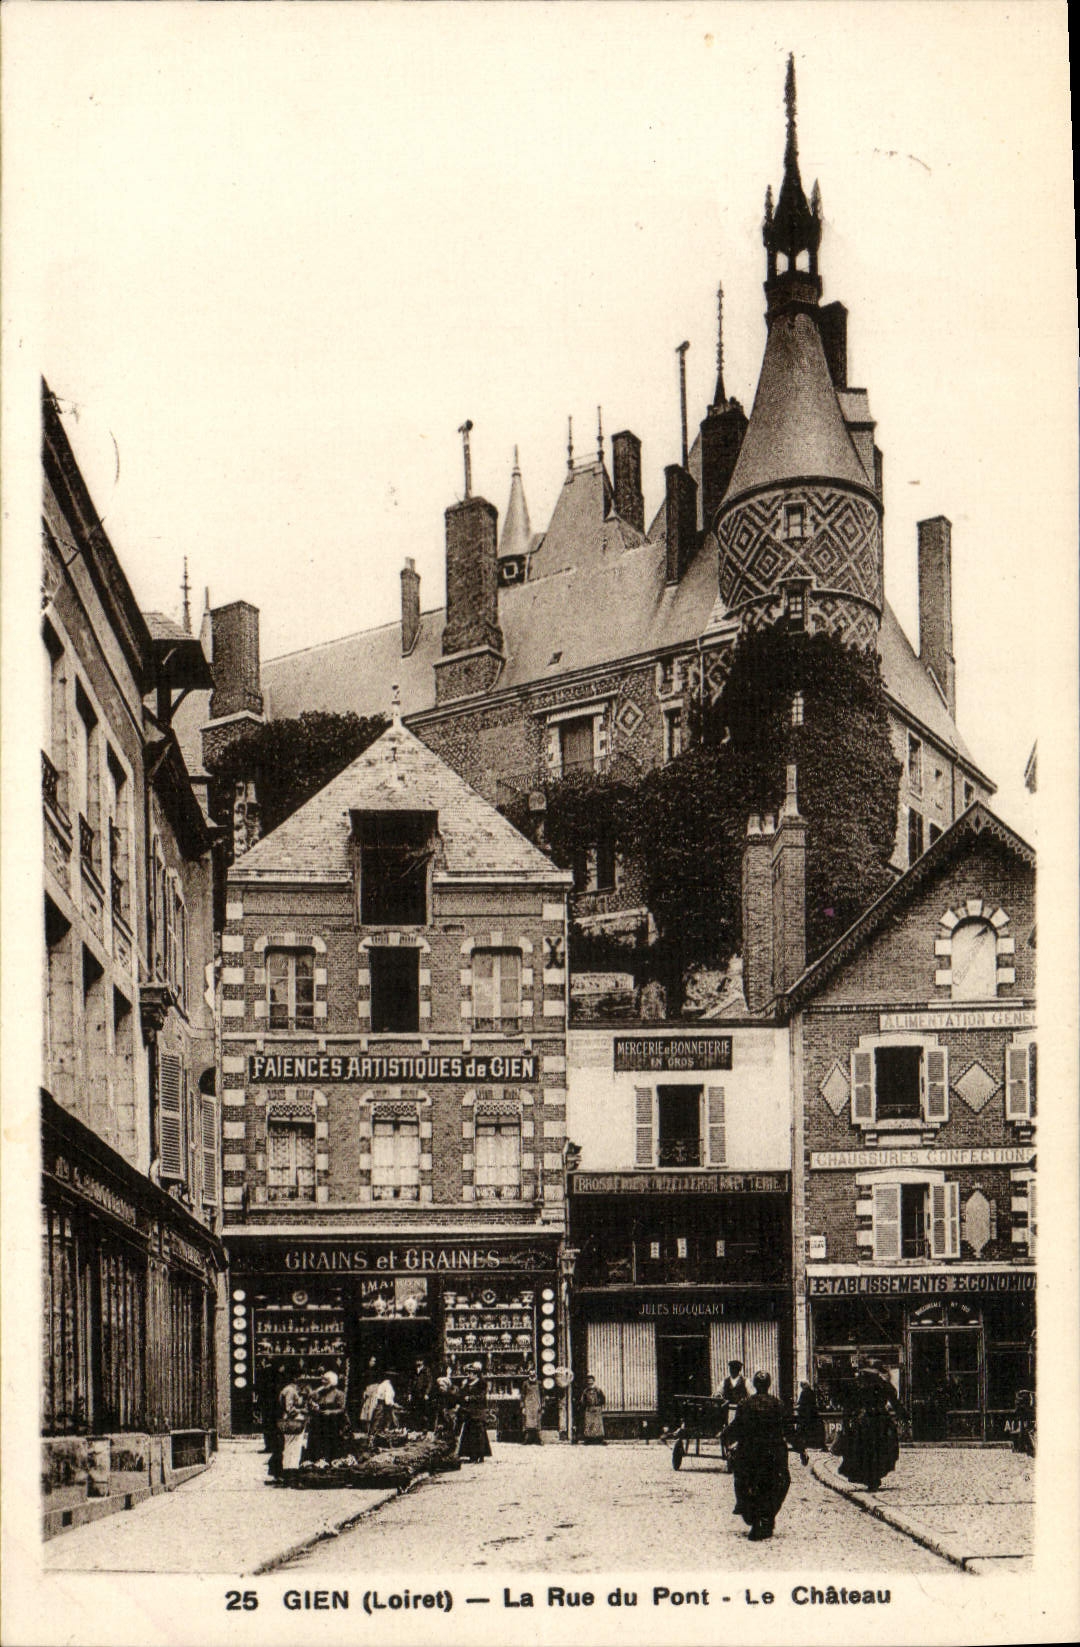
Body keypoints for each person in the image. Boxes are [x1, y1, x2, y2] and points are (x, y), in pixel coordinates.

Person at [722, 1370, 807, 1541]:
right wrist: (801, 1449)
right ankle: (767, 1516)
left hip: (749, 1451)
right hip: (773, 1453)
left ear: (754, 1384)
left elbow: (736, 1427)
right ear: (769, 1385)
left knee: (742, 1479)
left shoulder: (745, 1404)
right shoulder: (778, 1405)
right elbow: (789, 1430)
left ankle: (748, 1511)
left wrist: (726, 1438)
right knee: (781, 1482)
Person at [837, 1361, 904, 1491]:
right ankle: (874, 1476)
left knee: (864, 1450)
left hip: (865, 1422)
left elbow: (849, 1406)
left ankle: (869, 1476)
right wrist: (902, 1415)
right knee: (880, 1449)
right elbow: (895, 1402)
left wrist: (846, 1421)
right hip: (880, 1421)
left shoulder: (859, 1387)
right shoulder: (883, 1385)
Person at [304, 1369, 349, 1465]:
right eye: (322, 1379)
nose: (322, 1382)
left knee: (332, 1443)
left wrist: (331, 1412)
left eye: (325, 1380)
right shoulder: (320, 1393)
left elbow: (342, 1409)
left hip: (334, 1423)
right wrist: (313, 1405)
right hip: (320, 1422)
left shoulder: (339, 1394)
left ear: (332, 1382)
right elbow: (311, 1401)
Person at [273, 1372, 308, 1486]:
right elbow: (290, 1408)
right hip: (293, 1422)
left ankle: (288, 1475)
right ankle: (291, 1476)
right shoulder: (291, 1390)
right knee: (292, 1448)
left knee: (291, 1448)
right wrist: (302, 1410)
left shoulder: (290, 1390)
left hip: (291, 1421)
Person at [455, 1363, 492, 1461]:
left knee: (479, 1434)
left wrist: (470, 1398)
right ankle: (472, 1455)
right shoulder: (466, 1384)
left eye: (470, 1373)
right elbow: (461, 1395)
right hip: (468, 1412)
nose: (468, 1375)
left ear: (476, 1374)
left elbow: (482, 1397)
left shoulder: (482, 1383)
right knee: (469, 1434)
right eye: (468, 1373)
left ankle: (481, 1455)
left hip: (478, 1411)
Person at [794, 1380, 826, 1450]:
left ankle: (803, 1443)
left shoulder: (803, 1393)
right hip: (812, 1414)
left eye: (802, 1386)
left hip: (805, 1414)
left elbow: (801, 1403)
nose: (801, 1387)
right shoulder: (812, 1392)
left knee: (802, 1429)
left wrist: (797, 1406)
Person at [368, 1370, 397, 1442]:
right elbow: (387, 1399)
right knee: (379, 1420)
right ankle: (372, 1438)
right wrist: (393, 1405)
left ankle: (373, 1437)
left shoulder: (383, 1384)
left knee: (377, 1420)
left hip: (380, 1403)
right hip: (382, 1404)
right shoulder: (388, 1386)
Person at [409, 1358, 435, 1431]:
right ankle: (417, 1428)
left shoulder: (426, 1370)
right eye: (416, 1360)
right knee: (416, 1411)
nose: (417, 1362)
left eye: (419, 1360)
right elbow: (410, 1382)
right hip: (415, 1394)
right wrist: (409, 1393)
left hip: (423, 1394)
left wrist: (426, 1393)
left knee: (424, 1411)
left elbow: (429, 1382)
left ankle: (425, 1428)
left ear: (422, 1361)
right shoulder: (414, 1370)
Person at [579, 1375, 606, 1444]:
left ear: (594, 1381)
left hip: (597, 1408)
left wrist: (598, 1405)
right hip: (588, 1409)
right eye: (588, 1381)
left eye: (591, 1381)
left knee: (597, 1424)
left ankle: (599, 1439)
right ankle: (588, 1439)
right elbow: (582, 1400)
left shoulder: (598, 1390)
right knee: (588, 1424)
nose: (590, 1382)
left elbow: (603, 1399)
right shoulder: (585, 1391)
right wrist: (585, 1406)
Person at [520, 1363, 543, 1445]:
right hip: (528, 1405)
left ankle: (539, 1439)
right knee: (527, 1422)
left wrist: (542, 1405)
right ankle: (527, 1439)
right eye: (530, 1374)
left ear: (535, 1374)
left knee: (537, 1422)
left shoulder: (539, 1383)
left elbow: (542, 1395)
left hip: (537, 1404)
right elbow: (522, 1395)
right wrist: (523, 1406)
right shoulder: (525, 1383)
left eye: (533, 1374)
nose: (532, 1376)